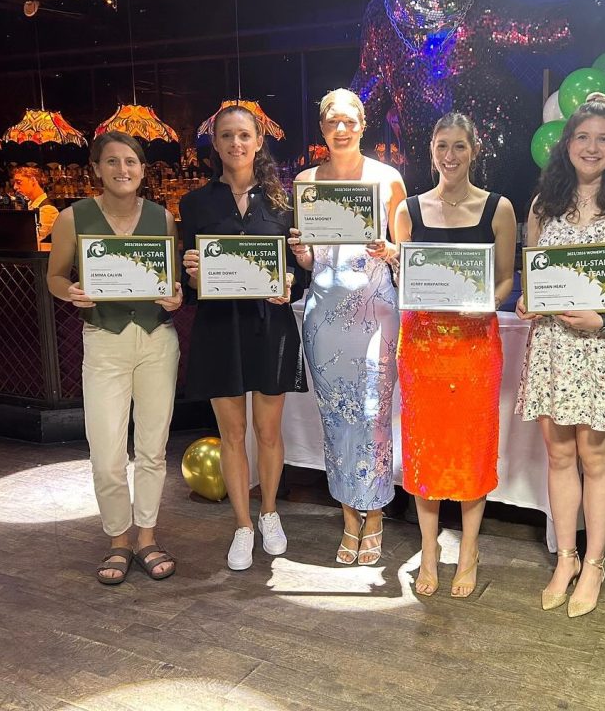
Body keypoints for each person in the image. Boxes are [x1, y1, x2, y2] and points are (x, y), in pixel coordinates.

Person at [515, 92, 605, 617]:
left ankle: (595, 563)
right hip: (553, 345)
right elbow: (535, 275)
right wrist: (530, 301)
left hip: (604, 343)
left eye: (603, 138)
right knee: (558, 456)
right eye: (583, 137)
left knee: (596, 459)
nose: (592, 147)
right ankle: (566, 558)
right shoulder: (543, 203)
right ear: (567, 144)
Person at [46, 132, 183, 585]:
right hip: (104, 340)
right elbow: (54, 277)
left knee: (152, 449)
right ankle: (117, 538)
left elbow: (171, 283)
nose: (122, 169)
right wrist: (72, 292)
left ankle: (146, 536)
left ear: (143, 170)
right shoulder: (73, 217)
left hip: (157, 340)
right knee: (106, 453)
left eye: (130, 162)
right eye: (112, 161)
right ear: (96, 168)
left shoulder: (163, 218)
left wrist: (176, 297)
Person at [393, 112, 516, 597]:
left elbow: (505, 278)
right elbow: (407, 280)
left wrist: (484, 301)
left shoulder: (498, 209)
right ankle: (428, 550)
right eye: (442, 145)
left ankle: (469, 550)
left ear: (475, 149)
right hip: (422, 347)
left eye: (459, 146)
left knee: (472, 448)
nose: (450, 155)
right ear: (431, 150)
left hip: (475, 347)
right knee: (424, 449)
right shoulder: (408, 211)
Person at [180, 105, 307, 571]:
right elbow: (189, 278)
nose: (236, 143)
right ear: (215, 144)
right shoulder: (195, 204)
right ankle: (242, 525)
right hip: (219, 328)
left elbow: (297, 272)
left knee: (268, 431)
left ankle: (269, 512)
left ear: (258, 142)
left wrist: (292, 280)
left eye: (244, 135)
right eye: (227, 136)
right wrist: (192, 274)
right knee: (231, 434)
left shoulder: (283, 203)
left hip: (269, 325)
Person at [288, 88, 407, 566]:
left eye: (349, 121)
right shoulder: (306, 181)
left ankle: (374, 515)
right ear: (322, 127)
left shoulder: (388, 179)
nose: (341, 129)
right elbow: (311, 257)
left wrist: (389, 250)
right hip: (324, 314)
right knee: (336, 417)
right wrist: (301, 253)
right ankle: (347, 518)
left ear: (362, 125)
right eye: (332, 121)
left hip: (376, 312)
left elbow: (406, 253)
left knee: (374, 414)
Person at [12, 166, 58, 243]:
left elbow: (36, 243)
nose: (15, 187)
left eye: (19, 182)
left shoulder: (47, 209)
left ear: (33, 180)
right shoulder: (30, 205)